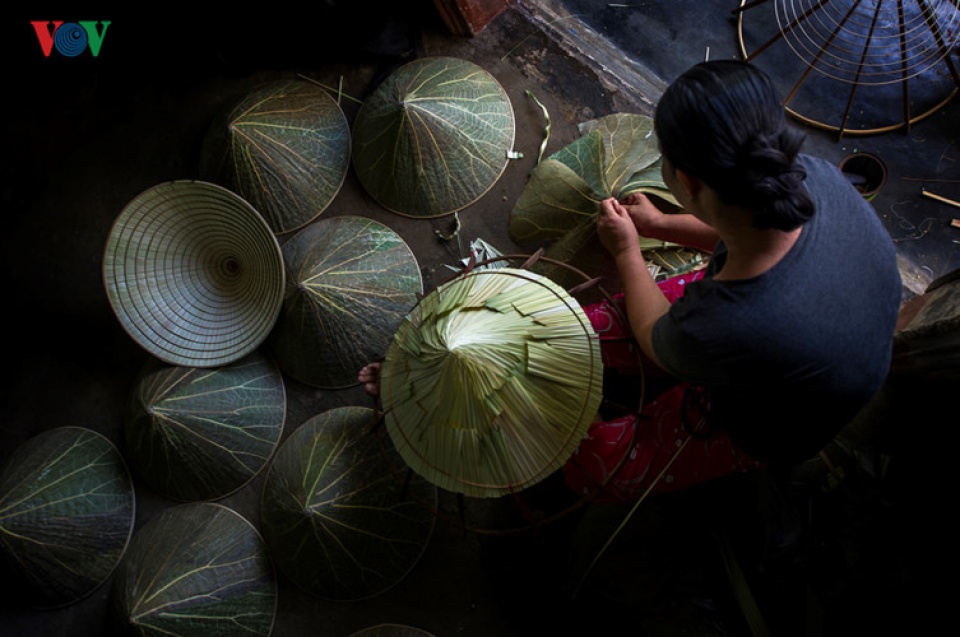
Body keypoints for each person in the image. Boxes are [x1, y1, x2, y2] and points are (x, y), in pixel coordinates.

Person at [362, 59, 902, 504]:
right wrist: (661, 224)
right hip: (822, 338)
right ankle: (439, 368)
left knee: (594, 464)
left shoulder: (728, 319)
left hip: (771, 419)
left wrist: (627, 249)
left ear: (686, 181)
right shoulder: (810, 177)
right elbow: (733, 229)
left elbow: (657, 339)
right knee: (578, 327)